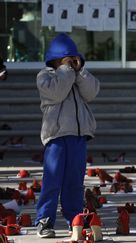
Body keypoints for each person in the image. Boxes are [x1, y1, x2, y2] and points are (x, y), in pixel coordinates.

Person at [34, 33, 99, 238]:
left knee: (74, 181)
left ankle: (75, 218)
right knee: (52, 179)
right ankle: (44, 220)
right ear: (55, 60)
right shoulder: (45, 76)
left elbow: (91, 93)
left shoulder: (76, 77)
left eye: (73, 60)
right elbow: (58, 93)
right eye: (67, 59)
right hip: (57, 136)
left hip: (79, 136)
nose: (71, 63)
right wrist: (65, 70)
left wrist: (80, 72)